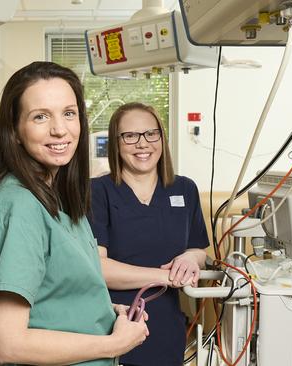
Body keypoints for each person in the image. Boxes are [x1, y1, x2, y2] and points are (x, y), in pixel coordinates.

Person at [0, 61, 148, 365]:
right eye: (40, 116)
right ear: (14, 130)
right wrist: (113, 343)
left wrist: (105, 314)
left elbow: (55, 299)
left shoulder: (59, 200)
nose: (59, 129)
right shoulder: (19, 205)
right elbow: (10, 344)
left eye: (69, 113)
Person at [89, 102, 209, 366]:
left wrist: (190, 259)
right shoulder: (98, 192)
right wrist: (166, 276)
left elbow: (199, 248)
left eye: (150, 134)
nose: (142, 144)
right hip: (114, 323)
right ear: (116, 143)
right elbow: (98, 267)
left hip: (166, 328)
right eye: (130, 136)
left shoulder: (185, 189)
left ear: (161, 138)